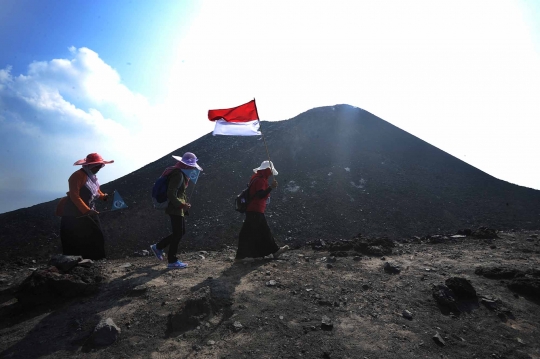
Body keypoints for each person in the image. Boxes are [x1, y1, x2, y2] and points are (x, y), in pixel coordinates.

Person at [55, 153, 113, 260]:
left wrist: (103, 196)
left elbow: (96, 190)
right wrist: (86, 211)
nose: (99, 168)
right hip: (73, 213)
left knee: (96, 235)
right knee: (74, 238)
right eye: (97, 166)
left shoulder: (91, 177)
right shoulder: (77, 176)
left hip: (89, 210)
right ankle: (74, 263)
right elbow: (74, 195)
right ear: (90, 165)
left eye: (100, 166)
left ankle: (96, 260)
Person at [150, 152, 202, 269]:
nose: (193, 168)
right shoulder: (178, 174)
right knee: (179, 232)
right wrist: (181, 205)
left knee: (180, 232)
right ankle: (172, 260)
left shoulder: (179, 172)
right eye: (192, 166)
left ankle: (158, 247)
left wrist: (183, 204)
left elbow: (178, 193)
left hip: (177, 207)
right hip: (175, 208)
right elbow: (171, 193)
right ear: (187, 165)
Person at [235, 160, 289, 262]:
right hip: (255, 209)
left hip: (254, 209)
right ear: (267, 170)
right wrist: (271, 188)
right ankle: (243, 256)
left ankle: (273, 251)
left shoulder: (255, 178)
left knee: (262, 230)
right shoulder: (260, 181)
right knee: (252, 232)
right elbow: (260, 195)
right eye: (270, 171)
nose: (271, 174)